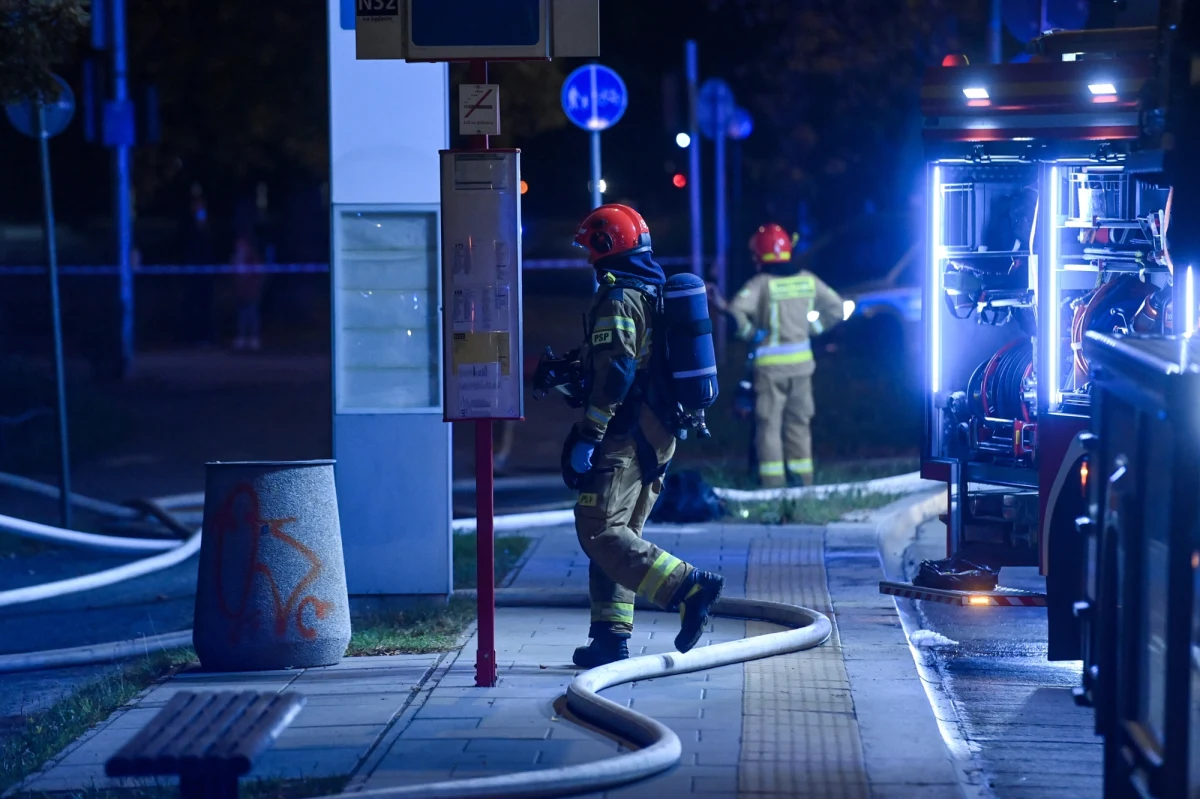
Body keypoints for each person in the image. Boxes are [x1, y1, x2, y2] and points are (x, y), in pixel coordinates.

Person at [565, 203, 725, 668]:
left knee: (599, 530)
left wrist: (589, 434)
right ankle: (609, 638)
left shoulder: (619, 297)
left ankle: (688, 587)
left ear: (606, 245)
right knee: (622, 534)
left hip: (626, 432)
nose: (588, 257)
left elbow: (616, 372)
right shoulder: (651, 289)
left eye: (591, 247)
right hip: (659, 430)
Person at [709, 223, 845, 488]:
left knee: (769, 426)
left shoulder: (761, 284)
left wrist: (751, 333)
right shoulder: (807, 280)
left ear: (760, 255)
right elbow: (837, 309)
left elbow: (735, 313)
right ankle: (803, 484)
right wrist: (811, 330)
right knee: (799, 425)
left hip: (770, 370)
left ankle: (773, 486)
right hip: (802, 367)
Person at [231, 231, 266, 352]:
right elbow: (234, 274)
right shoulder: (236, 258)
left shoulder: (252, 257)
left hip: (252, 291)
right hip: (240, 292)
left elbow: (257, 275)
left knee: (252, 315)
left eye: (242, 244)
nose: (240, 247)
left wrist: (255, 287)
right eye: (238, 245)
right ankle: (242, 338)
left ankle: (254, 338)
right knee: (242, 316)